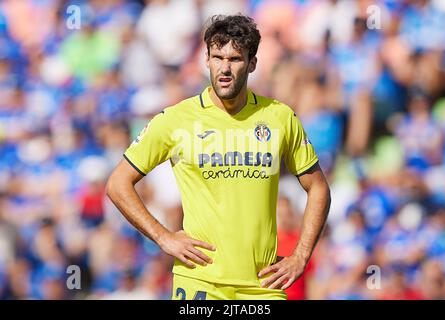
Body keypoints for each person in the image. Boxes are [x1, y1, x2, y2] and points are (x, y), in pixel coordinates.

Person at [106, 14, 331, 300]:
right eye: (217, 57)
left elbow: (318, 187)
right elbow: (117, 183)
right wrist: (164, 237)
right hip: (200, 282)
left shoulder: (279, 117)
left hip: (263, 287)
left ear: (252, 64)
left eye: (235, 59)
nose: (224, 68)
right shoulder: (176, 119)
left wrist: (301, 256)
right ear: (207, 60)